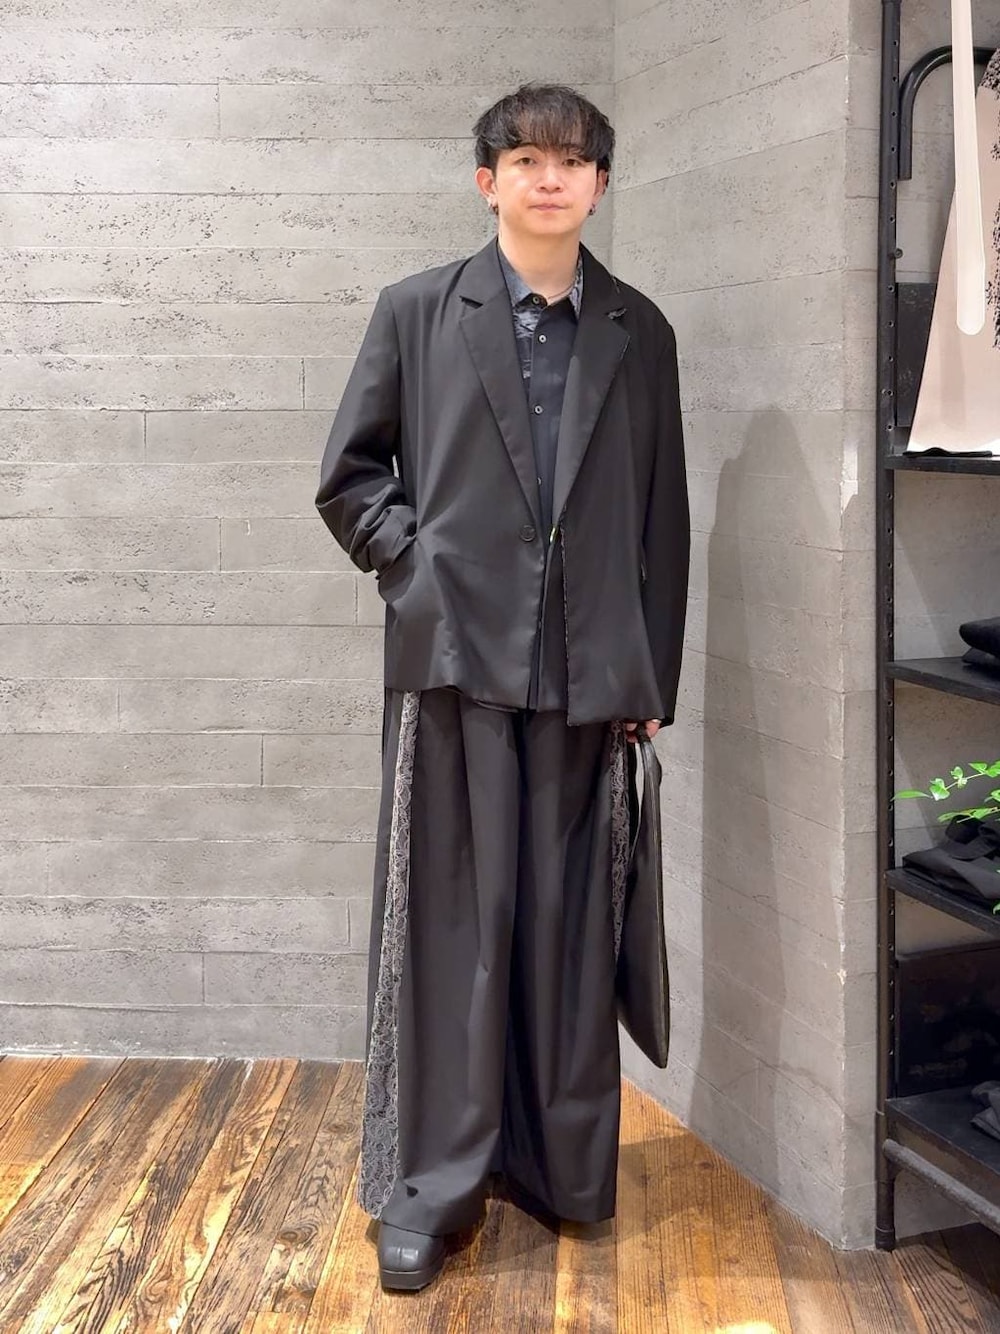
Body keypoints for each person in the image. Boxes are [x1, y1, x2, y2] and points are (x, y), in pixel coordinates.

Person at [315, 83, 689, 1292]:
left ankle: (558, 1167)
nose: (548, 177)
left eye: (571, 160)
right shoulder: (418, 310)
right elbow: (349, 475)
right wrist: (414, 572)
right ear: (487, 180)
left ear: (599, 185)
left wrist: (651, 669)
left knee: (569, 933)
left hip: (590, 674)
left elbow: (663, 517)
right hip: (453, 667)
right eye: (525, 158)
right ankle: (429, 1185)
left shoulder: (639, 330)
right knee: (449, 935)